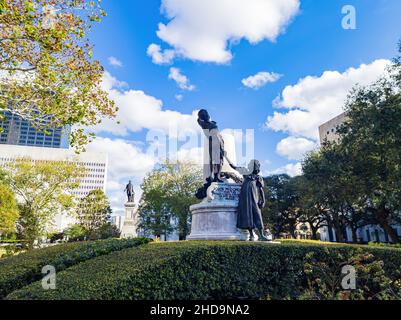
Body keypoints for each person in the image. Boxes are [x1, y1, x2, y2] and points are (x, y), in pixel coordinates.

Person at [226, 156, 269, 241]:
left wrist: (263, 200)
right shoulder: (245, 172)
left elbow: (260, 190)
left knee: (257, 215)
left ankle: (261, 235)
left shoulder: (258, 177)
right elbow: (233, 166)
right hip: (245, 198)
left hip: (254, 198)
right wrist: (226, 156)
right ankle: (251, 235)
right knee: (247, 215)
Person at [197, 109, 225, 183]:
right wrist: (200, 116)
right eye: (205, 115)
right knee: (213, 160)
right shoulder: (204, 124)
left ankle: (217, 176)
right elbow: (198, 120)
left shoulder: (212, 123)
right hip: (213, 142)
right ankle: (211, 176)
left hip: (220, 142)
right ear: (202, 117)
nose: (207, 115)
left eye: (206, 114)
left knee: (220, 161)